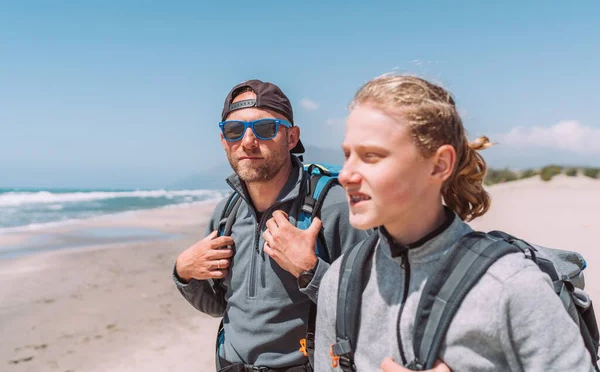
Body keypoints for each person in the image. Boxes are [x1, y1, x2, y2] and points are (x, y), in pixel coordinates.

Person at [314, 74, 595, 371]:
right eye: (347, 155)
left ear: (439, 164)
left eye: (371, 156)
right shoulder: (340, 280)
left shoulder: (511, 285)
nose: (346, 174)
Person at [173, 79, 368, 371]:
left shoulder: (335, 207)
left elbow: (372, 309)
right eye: (234, 131)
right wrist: (184, 273)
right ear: (224, 140)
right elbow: (219, 306)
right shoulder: (226, 213)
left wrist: (310, 272)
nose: (248, 141)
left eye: (265, 129)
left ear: (291, 138)